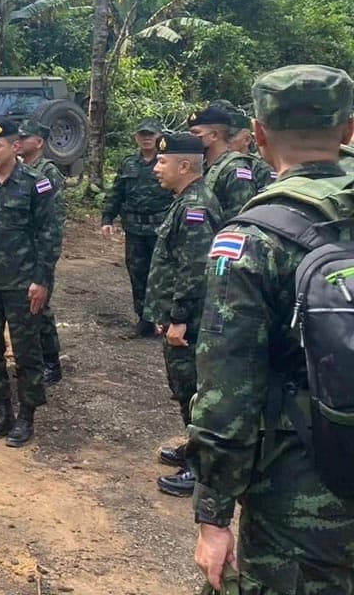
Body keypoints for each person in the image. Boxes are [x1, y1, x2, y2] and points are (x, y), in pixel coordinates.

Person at [191, 65, 354, 595]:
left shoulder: (253, 238)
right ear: (348, 129)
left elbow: (226, 393)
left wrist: (213, 516)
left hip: (303, 482)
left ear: (258, 135)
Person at [0, 120, 62, 447]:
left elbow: (50, 235)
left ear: (15, 147)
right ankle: (2, 411)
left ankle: (26, 416)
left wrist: (42, 280)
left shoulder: (36, 183)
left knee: (27, 351)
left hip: (23, 284)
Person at [143, 132, 222, 498]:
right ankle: (194, 451)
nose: (157, 168)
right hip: (182, 318)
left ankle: (200, 470)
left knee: (193, 392)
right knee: (183, 389)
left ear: (185, 165)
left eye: (163, 162)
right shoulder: (185, 200)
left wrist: (178, 317)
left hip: (189, 323)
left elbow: (194, 269)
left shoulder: (196, 207)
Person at [101, 118, 173, 338]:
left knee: (161, 274)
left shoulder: (167, 162)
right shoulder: (129, 163)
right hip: (134, 230)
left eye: (150, 134)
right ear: (136, 137)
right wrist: (107, 217)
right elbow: (117, 192)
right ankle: (144, 320)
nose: (146, 138)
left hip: (160, 229)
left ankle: (167, 320)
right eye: (142, 134)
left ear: (159, 135)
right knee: (137, 273)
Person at [16, 118, 66, 384]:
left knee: (40, 308)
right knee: (24, 309)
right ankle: (32, 359)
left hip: (38, 252)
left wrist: (47, 256)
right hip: (19, 252)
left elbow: (54, 221)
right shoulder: (20, 169)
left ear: (39, 142)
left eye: (25, 138)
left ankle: (51, 363)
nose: (20, 142)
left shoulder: (48, 173)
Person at [190, 106, 260, 223]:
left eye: (196, 133)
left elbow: (242, 215)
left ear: (214, 135)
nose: (190, 138)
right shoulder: (203, 166)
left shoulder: (235, 169)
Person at [210, 99, 275, 191]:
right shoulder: (208, 164)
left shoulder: (262, 170)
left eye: (229, 136)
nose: (222, 141)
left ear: (247, 140)